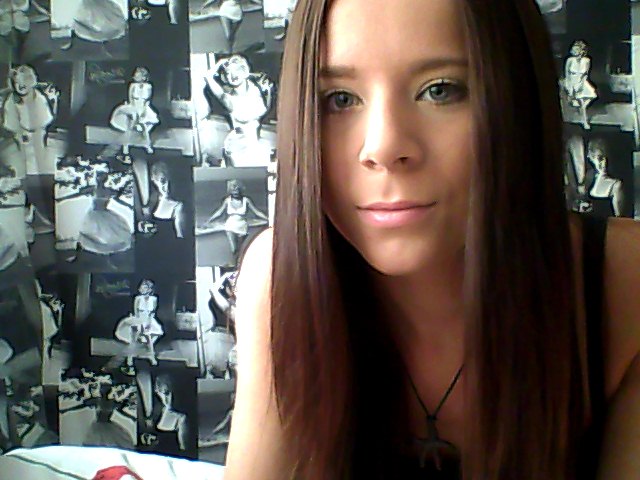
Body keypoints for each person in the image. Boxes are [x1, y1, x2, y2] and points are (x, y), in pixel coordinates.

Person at [224, 1, 640, 479]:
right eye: (339, 99)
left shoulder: (623, 285)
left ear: (516, 99)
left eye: (440, 90)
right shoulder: (278, 278)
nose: (382, 147)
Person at [204, 55, 275, 167]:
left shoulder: (255, 92)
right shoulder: (229, 100)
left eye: (237, 70)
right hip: (237, 149)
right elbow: (208, 76)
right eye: (228, 73)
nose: (233, 75)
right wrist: (220, 63)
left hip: (254, 147)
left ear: (245, 72)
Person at [2, 65, 59, 176]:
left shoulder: (39, 97)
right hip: (21, 136)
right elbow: (11, 123)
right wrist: (21, 133)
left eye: (24, 82)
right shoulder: (11, 101)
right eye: (17, 83)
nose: (21, 86)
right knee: (22, 163)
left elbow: (44, 119)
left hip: (38, 134)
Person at [196, 179, 268, 256]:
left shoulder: (246, 200)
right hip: (230, 226)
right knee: (234, 249)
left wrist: (267, 219)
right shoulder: (227, 201)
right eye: (233, 190)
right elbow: (219, 212)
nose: (235, 192)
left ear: (240, 190)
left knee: (241, 249)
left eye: (237, 190)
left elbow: (256, 212)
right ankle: (236, 261)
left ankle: (238, 261)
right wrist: (208, 221)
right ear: (230, 191)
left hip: (242, 227)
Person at [109, 67, 160, 161]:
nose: (136, 76)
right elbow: (130, 99)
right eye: (135, 74)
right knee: (130, 126)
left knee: (144, 127)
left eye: (138, 75)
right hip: (133, 106)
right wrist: (134, 111)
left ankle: (147, 145)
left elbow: (148, 100)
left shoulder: (148, 86)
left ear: (144, 77)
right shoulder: (132, 85)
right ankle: (125, 148)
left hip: (143, 107)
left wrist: (143, 112)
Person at [114, 279, 164, 375]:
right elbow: (136, 313)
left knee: (149, 336)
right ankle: (130, 360)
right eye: (141, 287)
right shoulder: (138, 298)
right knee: (135, 339)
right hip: (138, 319)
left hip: (148, 320)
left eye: (144, 287)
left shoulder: (154, 299)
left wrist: (148, 323)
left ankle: (150, 356)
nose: (141, 289)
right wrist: (139, 324)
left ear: (149, 289)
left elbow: (153, 313)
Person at [562, 40, 597, 130]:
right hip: (572, 81)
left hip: (582, 81)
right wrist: (569, 86)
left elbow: (586, 74)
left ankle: (582, 109)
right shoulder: (570, 60)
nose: (575, 51)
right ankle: (585, 122)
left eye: (577, 49)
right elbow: (567, 74)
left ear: (582, 51)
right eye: (574, 49)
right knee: (579, 102)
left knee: (592, 96)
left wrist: (581, 84)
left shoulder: (587, 60)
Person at [586, 139, 624, 217]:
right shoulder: (589, 178)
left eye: (607, 158)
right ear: (591, 158)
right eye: (599, 158)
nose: (604, 163)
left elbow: (619, 218)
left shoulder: (616, 185)